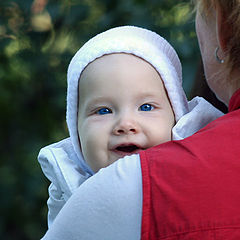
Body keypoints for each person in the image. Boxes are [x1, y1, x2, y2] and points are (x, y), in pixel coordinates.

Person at [39, 22, 229, 239]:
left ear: (177, 119)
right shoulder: (66, 188)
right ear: (76, 131)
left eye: (146, 107)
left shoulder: (197, 178)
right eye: (103, 111)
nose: (125, 124)